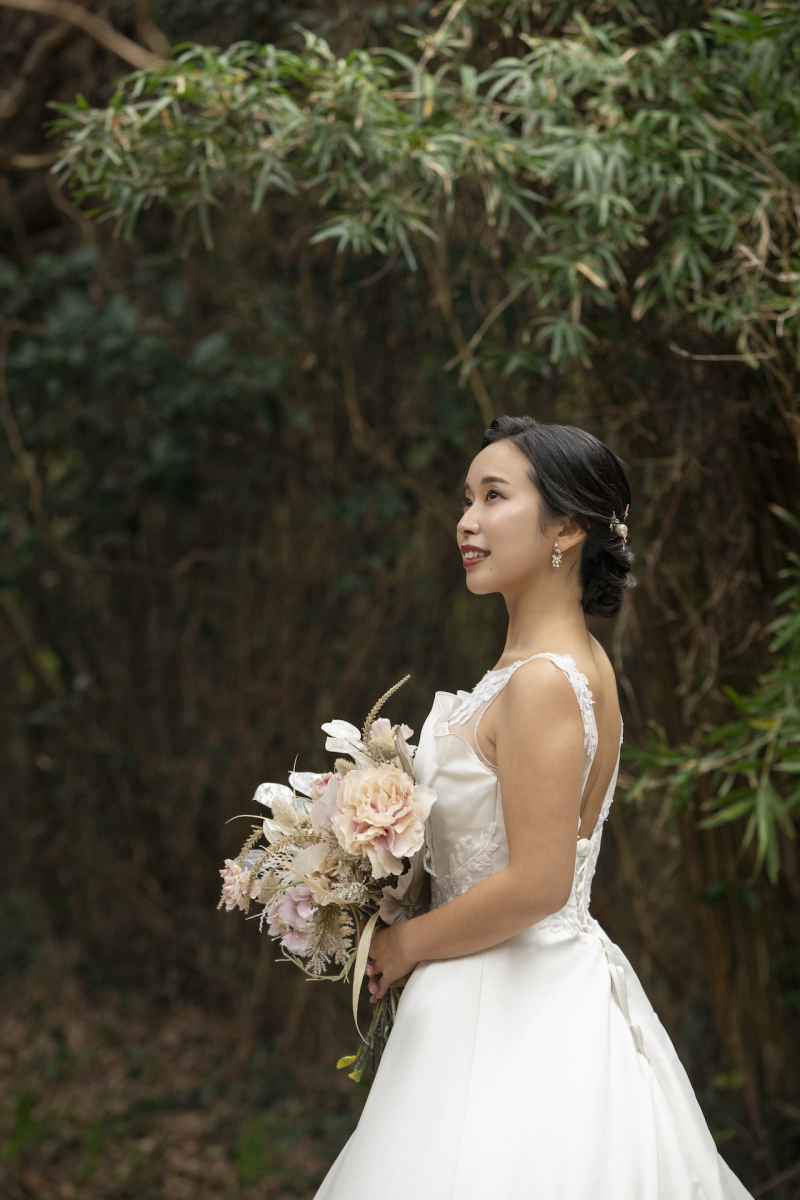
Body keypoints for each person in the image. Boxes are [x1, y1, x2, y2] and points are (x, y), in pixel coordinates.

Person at [315, 415, 753, 1200]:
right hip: (496, 981)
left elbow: (540, 880)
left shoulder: (546, 681)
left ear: (566, 527)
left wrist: (405, 942)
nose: (467, 521)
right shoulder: (557, 664)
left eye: (493, 497)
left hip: (511, 1002)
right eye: (466, 500)